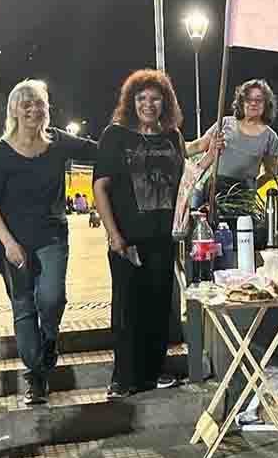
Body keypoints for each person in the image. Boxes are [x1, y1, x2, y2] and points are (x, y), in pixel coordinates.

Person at [93, 69, 221, 399]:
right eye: (142, 98)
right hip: (127, 239)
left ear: (165, 103)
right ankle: (123, 377)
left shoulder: (172, 137)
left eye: (155, 98)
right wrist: (114, 235)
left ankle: (153, 372)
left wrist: (211, 156)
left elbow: (187, 179)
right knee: (127, 308)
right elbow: (100, 187)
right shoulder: (115, 136)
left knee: (159, 307)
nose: (148, 104)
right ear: (131, 101)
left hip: (163, 239)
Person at [0, 79, 100, 406]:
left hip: (51, 236)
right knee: (23, 307)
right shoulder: (0, 154)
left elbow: (102, 149)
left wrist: (179, 147)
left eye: (39, 103)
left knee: (51, 299)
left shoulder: (58, 142)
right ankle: (36, 376)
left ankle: (49, 339)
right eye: (26, 104)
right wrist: (9, 243)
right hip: (11, 243)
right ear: (14, 111)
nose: (34, 109)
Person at [187, 78, 278, 194]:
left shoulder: (271, 137)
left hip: (242, 195)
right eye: (248, 99)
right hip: (213, 187)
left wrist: (251, 188)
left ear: (266, 104)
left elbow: (270, 173)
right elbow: (199, 145)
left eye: (259, 100)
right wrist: (176, 152)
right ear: (242, 102)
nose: (253, 103)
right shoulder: (225, 123)